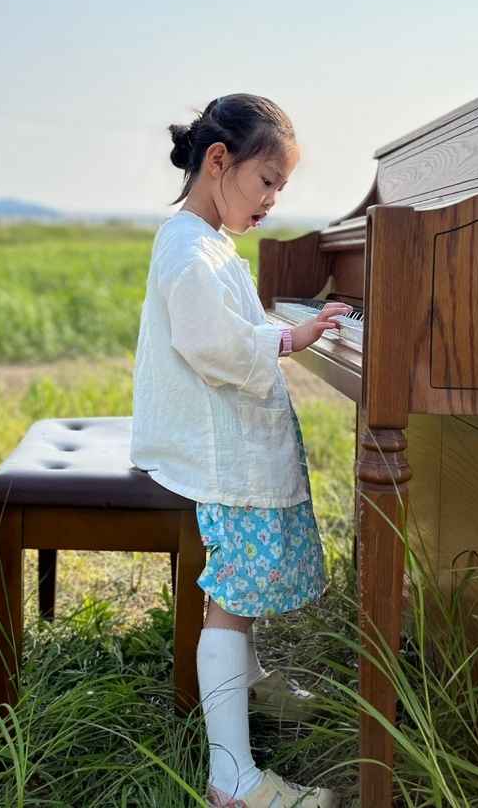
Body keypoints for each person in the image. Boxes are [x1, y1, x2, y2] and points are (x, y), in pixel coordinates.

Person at [131, 94, 352, 807]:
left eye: (280, 188)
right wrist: (289, 336)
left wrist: (280, 333)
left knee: (243, 583)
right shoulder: (188, 249)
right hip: (209, 450)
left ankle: (248, 683)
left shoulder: (207, 241)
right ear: (219, 162)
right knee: (231, 593)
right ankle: (233, 780)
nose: (272, 201)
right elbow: (213, 343)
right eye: (267, 182)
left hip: (216, 434)